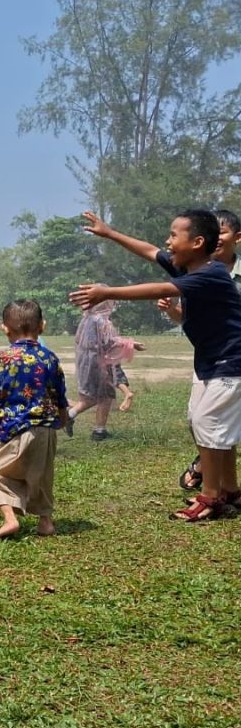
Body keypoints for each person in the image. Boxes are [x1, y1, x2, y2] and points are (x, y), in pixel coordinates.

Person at [72, 209, 241, 522]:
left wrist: (107, 292)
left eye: (175, 235)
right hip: (211, 362)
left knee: (208, 424)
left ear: (197, 242)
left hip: (231, 362)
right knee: (205, 423)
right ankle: (230, 490)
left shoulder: (211, 274)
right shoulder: (189, 268)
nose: (168, 241)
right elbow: (150, 251)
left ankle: (213, 498)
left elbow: (161, 289)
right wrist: (109, 233)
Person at [0, 300, 70, 538]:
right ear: (42, 326)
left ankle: (11, 519)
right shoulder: (50, 358)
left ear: (5, 329)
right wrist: (62, 418)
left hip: (14, 428)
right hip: (45, 429)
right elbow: (59, 393)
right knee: (42, 476)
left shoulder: (5, 358)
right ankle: (45, 522)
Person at [67, 296, 143, 441]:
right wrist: (131, 344)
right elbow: (108, 342)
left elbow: (79, 340)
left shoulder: (86, 319)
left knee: (95, 395)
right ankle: (80, 421)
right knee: (103, 395)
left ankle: (96, 428)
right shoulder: (101, 322)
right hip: (98, 363)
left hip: (85, 362)